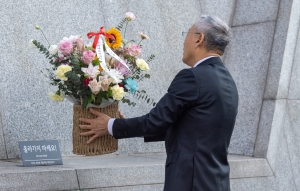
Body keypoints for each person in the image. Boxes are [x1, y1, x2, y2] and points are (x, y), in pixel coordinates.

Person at [79, 15, 238, 191]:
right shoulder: (228, 81)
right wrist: (123, 124)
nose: (183, 42)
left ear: (199, 39)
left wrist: (110, 125)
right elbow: (193, 129)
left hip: (189, 182)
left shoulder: (193, 77)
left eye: (187, 34)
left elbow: (155, 121)